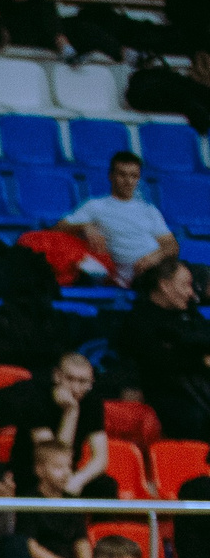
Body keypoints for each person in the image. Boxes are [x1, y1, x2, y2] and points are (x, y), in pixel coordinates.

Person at [0, 350, 110, 500]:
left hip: (67, 471)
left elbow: (100, 458)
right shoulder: (36, 398)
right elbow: (53, 456)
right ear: (57, 375)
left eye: (83, 382)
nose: (76, 388)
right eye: (70, 379)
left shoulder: (92, 402)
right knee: (39, 484)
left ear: (91, 382)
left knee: (106, 486)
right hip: (33, 471)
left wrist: (78, 480)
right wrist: (71, 412)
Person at [121, 259, 210, 442]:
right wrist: (200, 360)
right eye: (185, 285)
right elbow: (158, 362)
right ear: (165, 285)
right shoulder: (139, 320)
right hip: (165, 393)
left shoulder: (189, 314)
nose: (191, 293)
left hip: (199, 385)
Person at [62, 153, 176, 289]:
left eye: (134, 176)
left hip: (161, 266)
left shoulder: (149, 210)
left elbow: (171, 245)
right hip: (137, 275)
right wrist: (84, 226)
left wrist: (155, 257)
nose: (128, 181)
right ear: (111, 176)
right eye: (122, 175)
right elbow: (56, 229)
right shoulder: (95, 206)